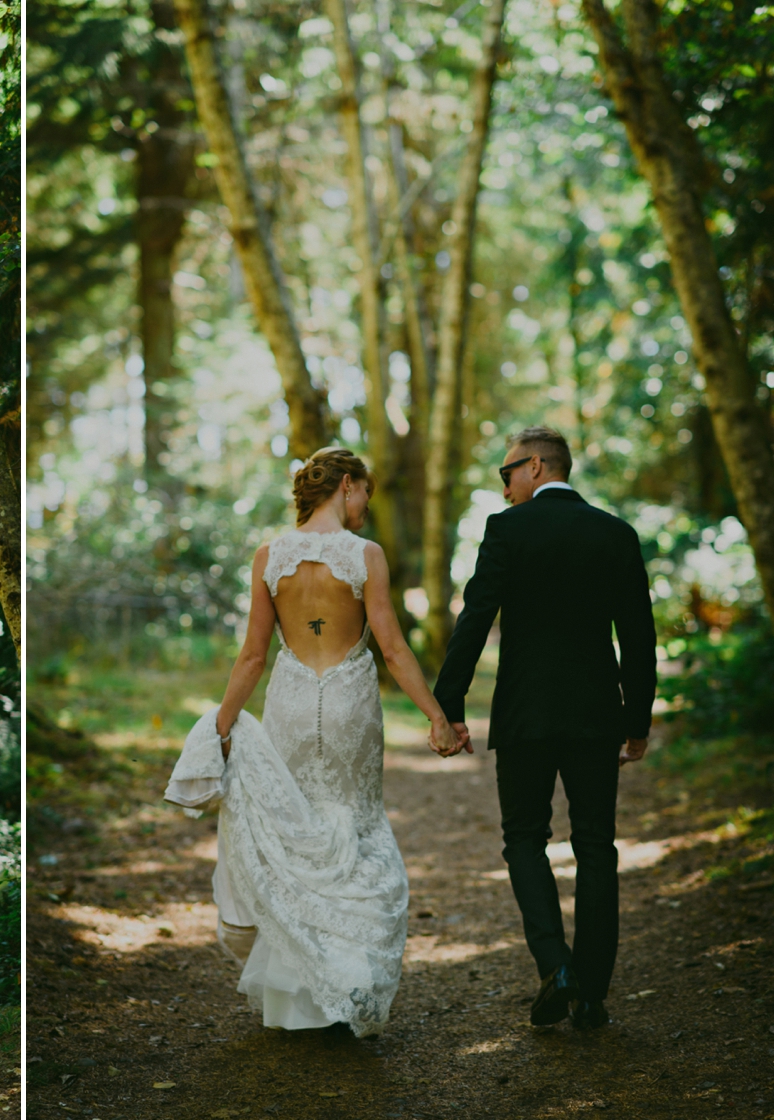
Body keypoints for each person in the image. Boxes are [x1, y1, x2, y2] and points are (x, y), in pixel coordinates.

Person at [166, 447, 461, 1038]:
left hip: (292, 703)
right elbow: (394, 650)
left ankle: (301, 999)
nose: (363, 511)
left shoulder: (269, 556)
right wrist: (438, 717)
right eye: (364, 498)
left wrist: (221, 728)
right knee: (354, 826)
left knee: (296, 835)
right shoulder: (365, 556)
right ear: (346, 486)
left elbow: (252, 655)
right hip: (350, 704)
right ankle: (346, 983)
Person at [435, 426, 656, 1030]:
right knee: (596, 847)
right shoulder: (615, 533)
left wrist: (448, 704)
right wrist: (636, 719)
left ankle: (554, 965)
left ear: (534, 467)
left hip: (525, 714)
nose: (502, 487)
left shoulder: (508, 530)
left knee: (525, 838)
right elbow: (638, 633)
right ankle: (592, 995)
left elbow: (475, 618)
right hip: (595, 715)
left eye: (505, 473)